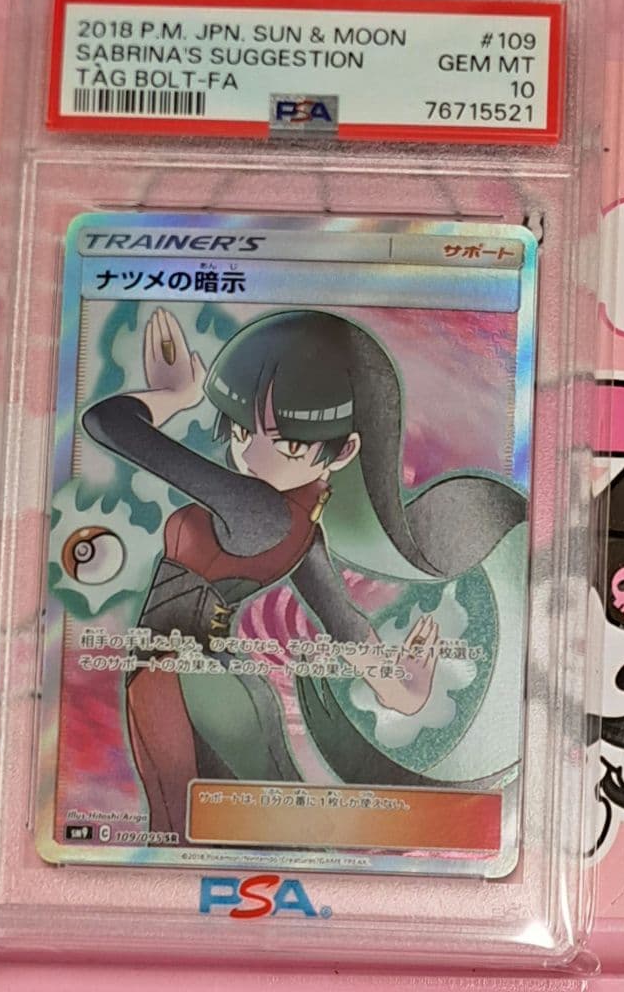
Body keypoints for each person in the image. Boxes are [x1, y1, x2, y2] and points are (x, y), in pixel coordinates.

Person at [83, 307, 525, 836]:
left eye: (288, 443)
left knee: (186, 827)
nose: (252, 455)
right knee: (230, 829)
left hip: (182, 683)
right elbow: (350, 632)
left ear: (346, 450)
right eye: (241, 430)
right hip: (210, 684)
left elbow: (107, 422)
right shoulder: (302, 533)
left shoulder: (258, 508)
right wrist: (404, 690)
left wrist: (174, 397)